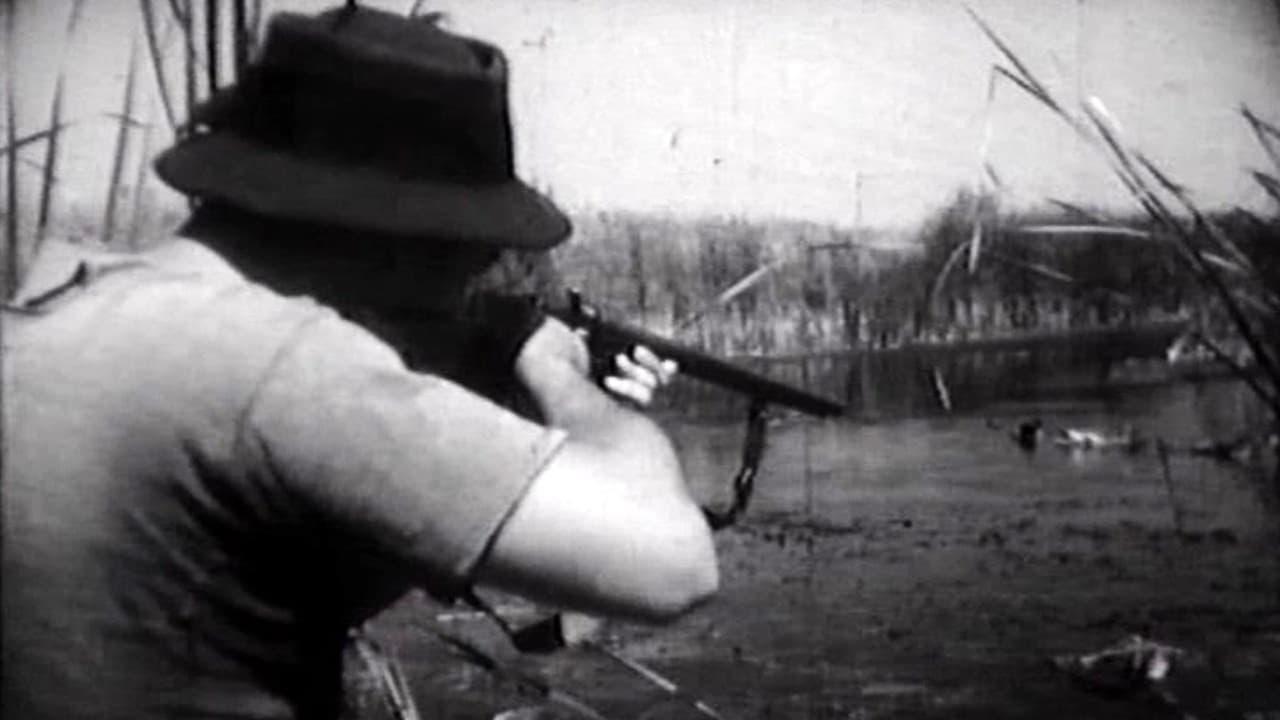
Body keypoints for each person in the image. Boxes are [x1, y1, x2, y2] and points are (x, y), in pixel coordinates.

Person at [0, 6, 718, 720]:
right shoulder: (284, 363)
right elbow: (672, 566)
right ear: (394, 234)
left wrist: (509, 419)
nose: (470, 282)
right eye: (469, 254)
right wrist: (558, 376)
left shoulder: (57, 308)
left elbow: (266, 592)